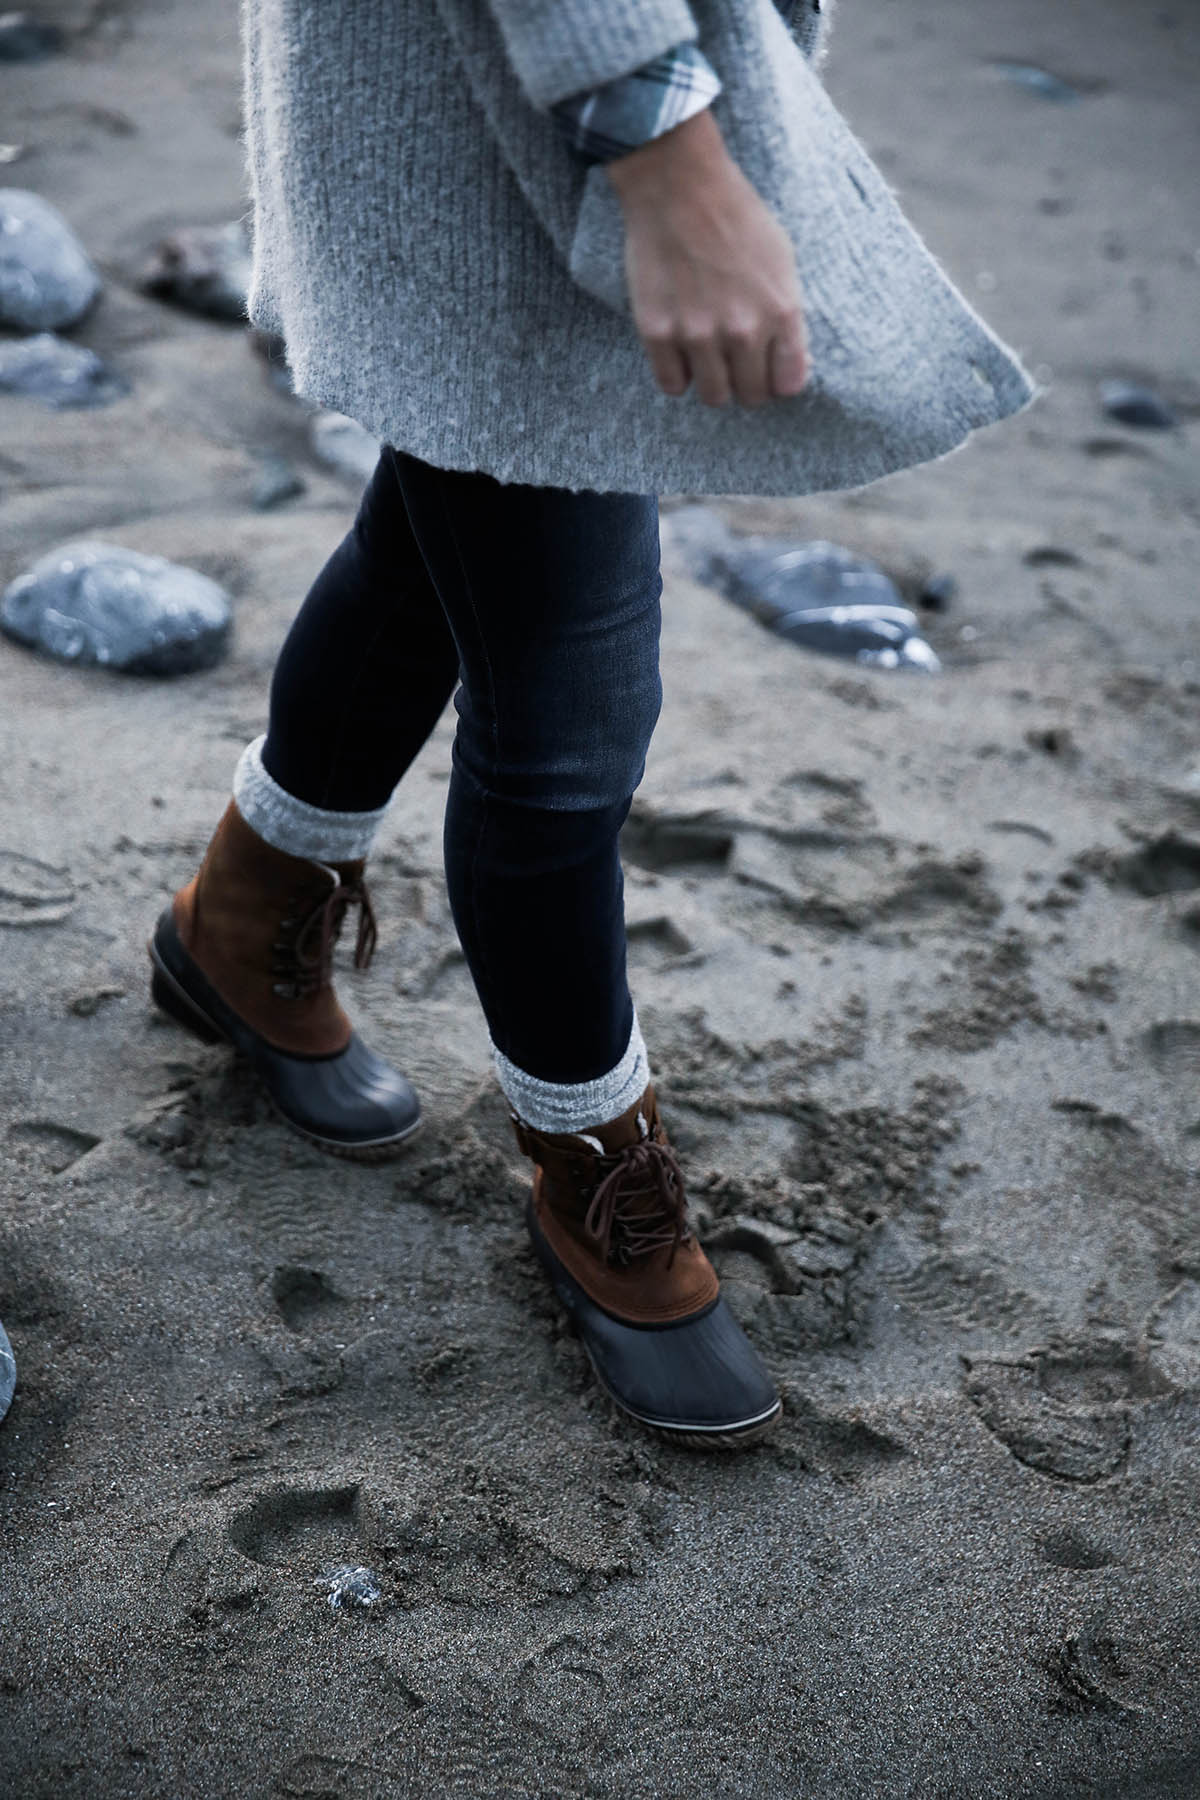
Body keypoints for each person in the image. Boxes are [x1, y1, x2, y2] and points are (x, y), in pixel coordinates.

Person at [149, 0, 1033, 1447]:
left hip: (466, 93)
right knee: (568, 715)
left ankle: (241, 921)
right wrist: (660, 145)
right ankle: (597, 1177)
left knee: (435, 561)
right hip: (493, 98)